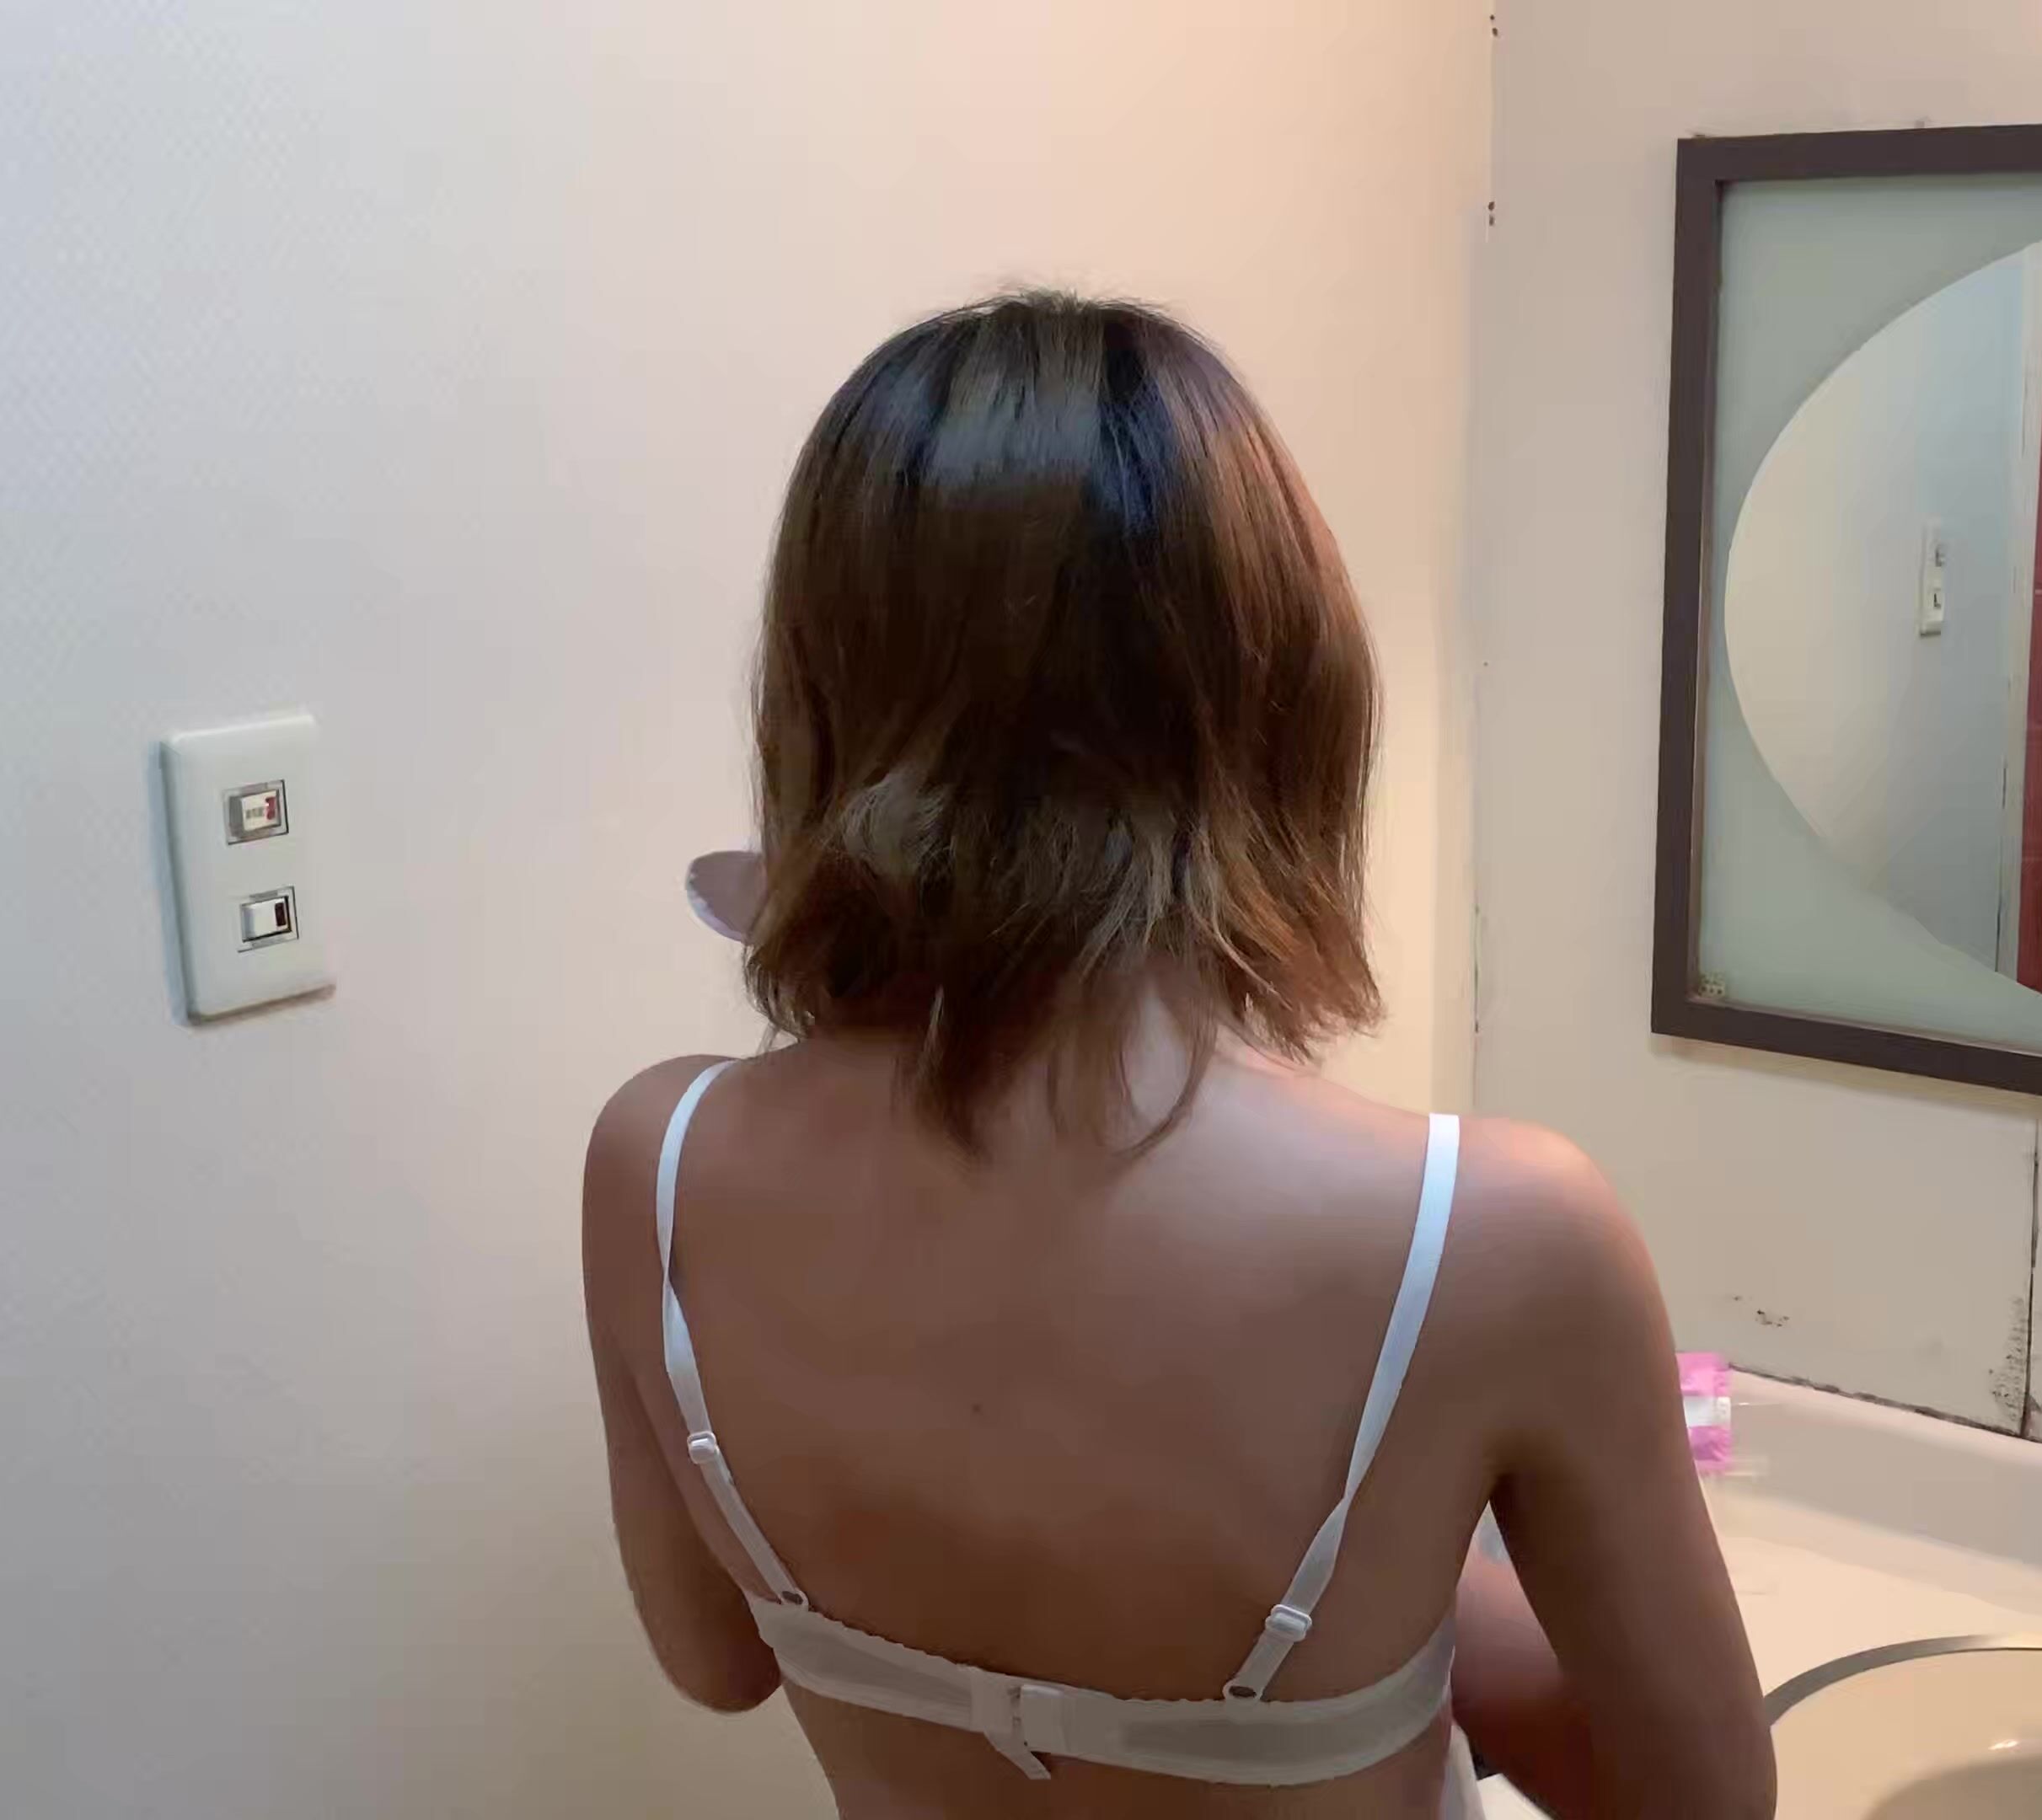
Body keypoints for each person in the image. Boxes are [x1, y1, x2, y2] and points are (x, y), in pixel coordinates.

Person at [581, 293, 1771, 1818]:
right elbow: (1705, 1801)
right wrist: (1408, 1556)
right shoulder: (1490, 1240)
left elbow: (714, 1656)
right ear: (1285, 691)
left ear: (822, 690)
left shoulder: (655, 1162)